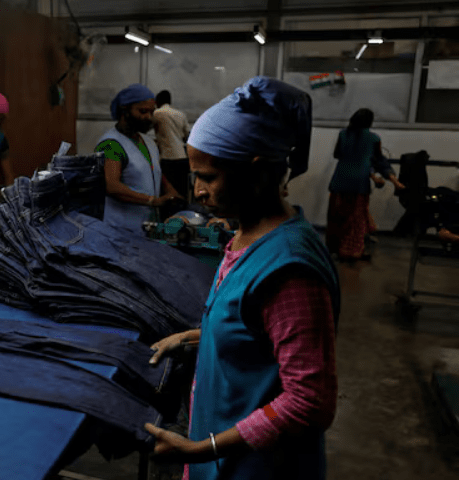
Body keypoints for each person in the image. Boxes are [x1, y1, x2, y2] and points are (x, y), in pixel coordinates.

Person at [143, 76, 340, 480]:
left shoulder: (290, 271)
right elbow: (256, 328)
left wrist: (204, 448)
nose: (196, 191)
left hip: (257, 467)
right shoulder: (245, 236)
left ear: (259, 175)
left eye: (208, 177)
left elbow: (309, 401)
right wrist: (191, 337)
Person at [95, 84, 182, 234]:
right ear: (124, 111)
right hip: (121, 228)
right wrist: (152, 201)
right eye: (142, 111)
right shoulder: (111, 144)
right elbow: (112, 186)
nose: (148, 117)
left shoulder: (148, 141)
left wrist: (172, 193)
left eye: (151, 112)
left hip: (148, 226)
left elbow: (153, 170)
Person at [326, 108, 391, 261]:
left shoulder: (343, 135)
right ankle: (351, 251)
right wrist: (386, 176)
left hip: (340, 181)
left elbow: (337, 154)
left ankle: (334, 248)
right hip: (359, 184)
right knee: (356, 220)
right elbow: (378, 160)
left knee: (337, 216)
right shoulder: (374, 139)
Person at [153, 90, 192, 209]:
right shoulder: (180, 114)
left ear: (158, 101)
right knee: (182, 193)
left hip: (167, 158)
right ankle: (184, 218)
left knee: (168, 195)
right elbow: (187, 136)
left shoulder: (157, 113)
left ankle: (168, 221)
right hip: (182, 158)